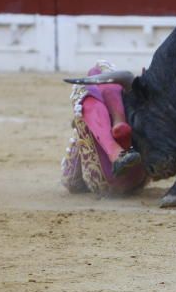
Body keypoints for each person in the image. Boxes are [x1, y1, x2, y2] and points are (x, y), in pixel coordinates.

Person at [60, 62, 146, 197]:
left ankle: (115, 151)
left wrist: (79, 124)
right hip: (140, 177)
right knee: (100, 70)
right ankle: (119, 121)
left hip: (105, 180)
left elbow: (72, 183)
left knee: (82, 89)